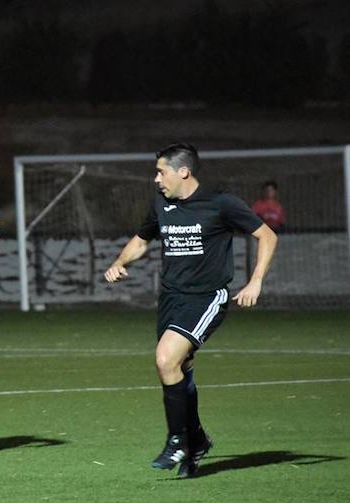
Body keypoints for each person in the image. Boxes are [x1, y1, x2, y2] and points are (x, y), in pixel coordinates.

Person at [104, 142, 278, 478]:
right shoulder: (162, 204)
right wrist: (119, 262)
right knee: (179, 368)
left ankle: (177, 440)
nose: (156, 179)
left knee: (165, 359)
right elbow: (142, 240)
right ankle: (196, 440)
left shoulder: (221, 203)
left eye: (160, 171)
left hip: (206, 297)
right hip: (170, 298)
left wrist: (255, 282)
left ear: (183, 171)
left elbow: (267, 236)